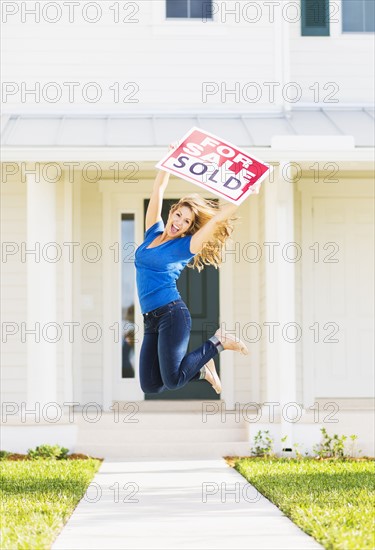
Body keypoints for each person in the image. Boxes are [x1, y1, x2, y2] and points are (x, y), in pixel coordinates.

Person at [134, 144, 249, 395]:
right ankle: (202, 370)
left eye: (186, 222)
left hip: (171, 315)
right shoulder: (152, 232)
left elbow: (218, 219)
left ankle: (219, 341)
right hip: (150, 318)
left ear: (188, 228)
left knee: (173, 380)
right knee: (150, 384)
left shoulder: (187, 245)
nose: (180, 223)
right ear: (172, 211)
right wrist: (170, 157)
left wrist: (244, 192)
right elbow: (159, 188)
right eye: (179, 216)